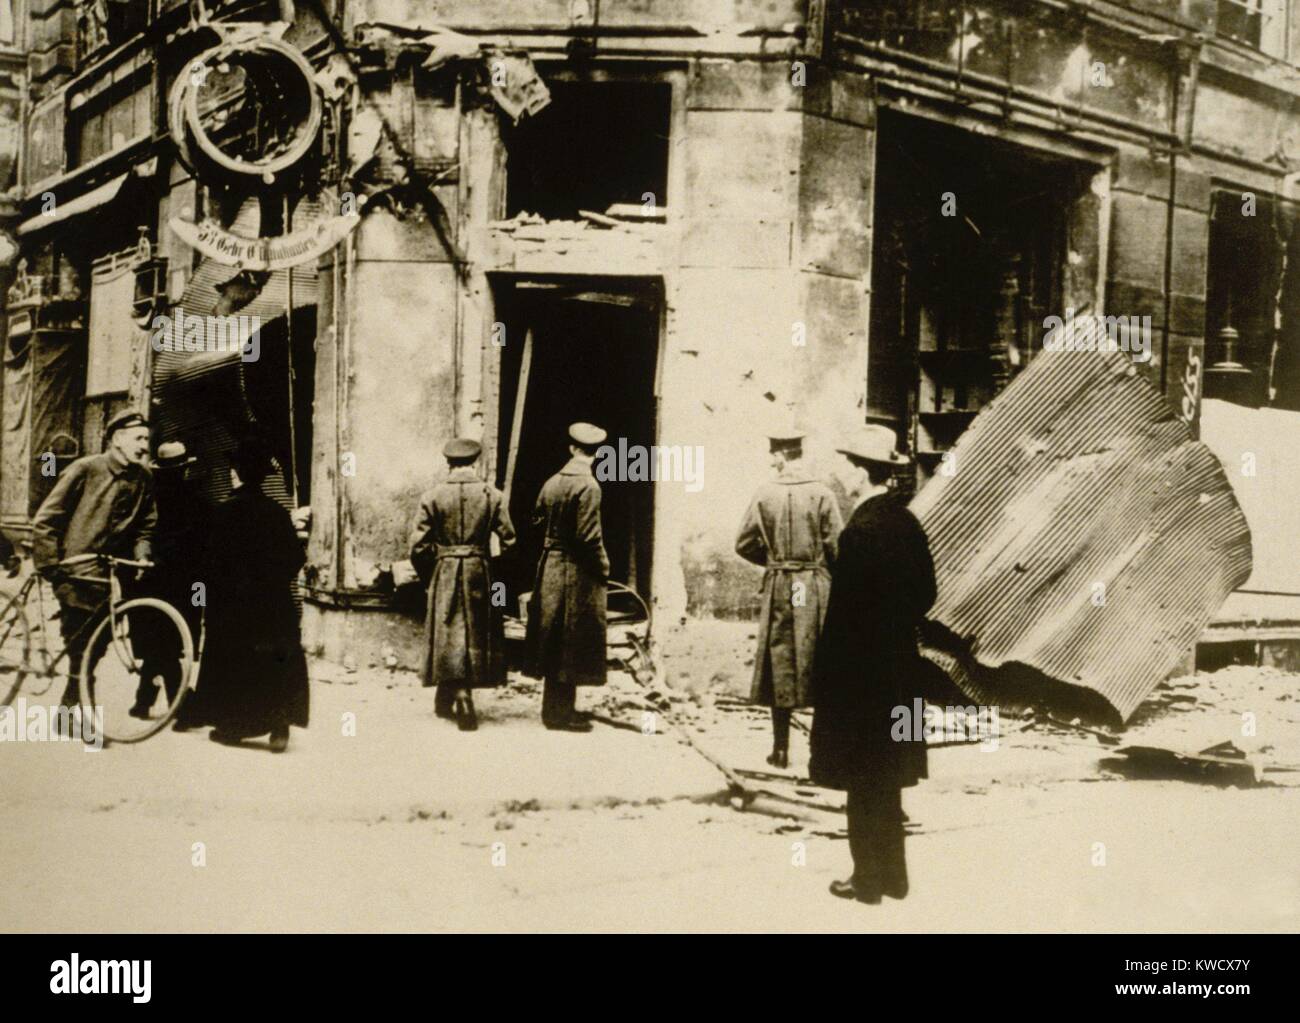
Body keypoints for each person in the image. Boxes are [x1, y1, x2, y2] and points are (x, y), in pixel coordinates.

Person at [809, 424, 936, 905]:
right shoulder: (907, 523)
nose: (843, 473)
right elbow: (926, 594)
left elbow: (844, 619)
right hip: (901, 670)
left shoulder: (860, 532)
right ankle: (894, 877)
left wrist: (826, 677)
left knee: (862, 780)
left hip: (861, 677)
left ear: (863, 472)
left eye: (847, 464)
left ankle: (866, 880)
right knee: (887, 778)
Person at [31, 410, 156, 709]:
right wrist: (51, 567)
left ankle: (67, 707)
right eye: (139, 438)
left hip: (109, 578)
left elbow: (146, 525)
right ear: (117, 439)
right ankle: (81, 716)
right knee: (81, 645)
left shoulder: (144, 478)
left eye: (147, 439)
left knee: (96, 646)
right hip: (75, 573)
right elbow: (46, 520)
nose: (144, 446)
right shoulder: (85, 469)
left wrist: (141, 556)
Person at [735, 426, 842, 768]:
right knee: (820, 660)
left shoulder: (764, 494)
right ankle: (819, 752)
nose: (772, 461)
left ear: (781, 455)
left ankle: (780, 749)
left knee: (780, 661)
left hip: (782, 583)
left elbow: (743, 543)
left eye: (774, 455)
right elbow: (837, 546)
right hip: (811, 584)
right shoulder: (823, 493)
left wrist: (774, 562)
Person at [201, 435, 309, 753]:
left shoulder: (223, 513)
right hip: (274, 603)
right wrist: (273, 581)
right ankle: (279, 727)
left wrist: (213, 595)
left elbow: (209, 564)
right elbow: (295, 558)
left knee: (237, 662)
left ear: (236, 474)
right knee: (276, 659)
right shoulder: (277, 512)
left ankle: (235, 726)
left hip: (234, 606)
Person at [410, 437, 516, 731]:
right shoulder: (492, 496)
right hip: (480, 569)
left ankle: (460, 696)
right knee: (476, 630)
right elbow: (509, 541)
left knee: (449, 630)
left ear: (449, 464)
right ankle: (452, 696)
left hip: (445, 569)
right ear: (475, 463)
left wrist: (430, 573)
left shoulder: (432, 496)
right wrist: (495, 574)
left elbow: (418, 547)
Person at [525, 422, 609, 732]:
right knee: (571, 639)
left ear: (572, 448)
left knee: (553, 637)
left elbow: (535, 521)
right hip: (576, 571)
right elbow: (588, 537)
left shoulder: (551, 482)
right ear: (596, 454)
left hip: (551, 565)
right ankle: (560, 715)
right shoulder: (589, 486)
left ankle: (556, 710)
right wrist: (603, 567)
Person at [130, 441, 207, 726]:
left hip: (150, 582)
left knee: (157, 643)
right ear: (185, 470)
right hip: (183, 586)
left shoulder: (147, 499)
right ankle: (182, 710)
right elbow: (203, 547)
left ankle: (142, 701)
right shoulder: (196, 502)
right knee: (171, 645)